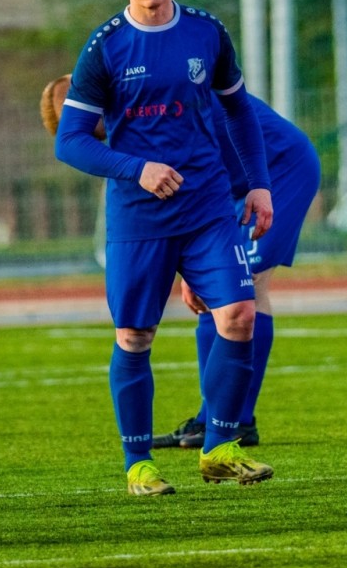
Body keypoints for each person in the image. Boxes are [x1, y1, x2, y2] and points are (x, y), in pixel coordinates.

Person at [55, 0, 275, 496]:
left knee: (239, 314)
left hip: (207, 206)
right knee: (135, 335)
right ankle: (139, 465)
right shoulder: (105, 47)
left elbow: (239, 111)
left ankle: (220, 449)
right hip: (139, 217)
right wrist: (138, 168)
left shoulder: (207, 32)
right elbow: (70, 141)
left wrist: (258, 184)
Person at [44, 76, 321, 451]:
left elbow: (193, 166)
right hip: (228, 186)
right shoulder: (134, 101)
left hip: (280, 171)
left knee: (244, 287)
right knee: (223, 295)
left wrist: (195, 258)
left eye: (94, 131)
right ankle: (217, 419)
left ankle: (231, 421)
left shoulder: (149, 99)